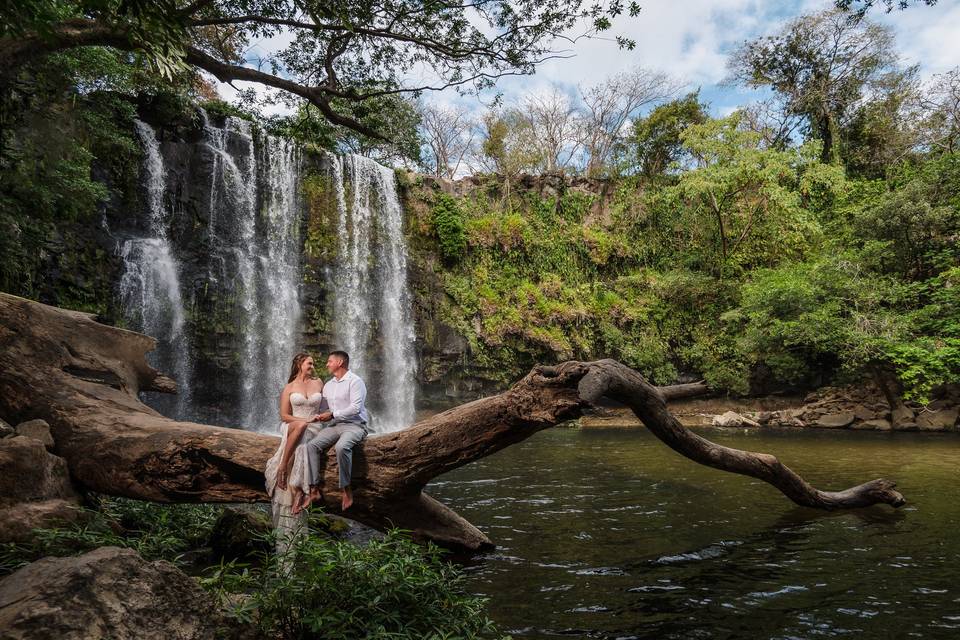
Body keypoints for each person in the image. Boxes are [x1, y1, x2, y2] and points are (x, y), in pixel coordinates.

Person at [300, 350, 369, 512]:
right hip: (335, 426)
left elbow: (356, 408)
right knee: (310, 446)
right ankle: (314, 489)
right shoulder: (329, 385)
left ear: (340, 362)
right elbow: (324, 409)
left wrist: (331, 414)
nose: (326, 364)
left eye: (330, 361)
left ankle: (346, 489)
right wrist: (312, 416)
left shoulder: (355, 381)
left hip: (355, 425)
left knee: (341, 447)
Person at [264, 353, 324, 523]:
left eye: (312, 364)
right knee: (302, 427)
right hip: (292, 425)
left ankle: (295, 484)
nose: (312, 367)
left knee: (303, 439)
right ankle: (301, 488)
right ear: (299, 364)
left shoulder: (319, 383)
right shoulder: (289, 387)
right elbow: (284, 415)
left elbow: (328, 406)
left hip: (315, 427)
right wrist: (304, 420)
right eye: (309, 363)